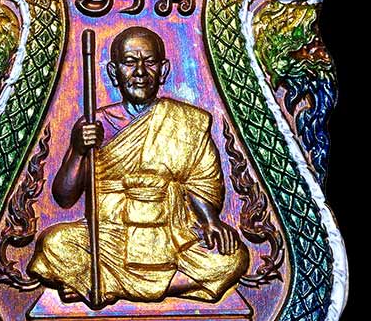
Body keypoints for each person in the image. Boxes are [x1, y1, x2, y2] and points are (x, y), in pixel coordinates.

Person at [27, 26, 249, 305]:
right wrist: (80, 150)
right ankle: (118, 282)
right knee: (54, 243)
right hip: (111, 235)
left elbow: (201, 181)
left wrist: (210, 220)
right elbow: (64, 196)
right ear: (114, 72)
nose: (140, 72)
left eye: (150, 62)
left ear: (164, 70)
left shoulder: (187, 121)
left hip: (170, 235)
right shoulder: (95, 124)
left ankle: (106, 284)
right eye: (130, 63)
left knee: (233, 258)